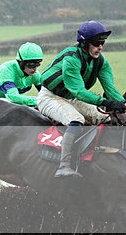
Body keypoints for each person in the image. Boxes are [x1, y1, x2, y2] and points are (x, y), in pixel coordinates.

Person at [37, 20, 126, 178]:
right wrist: (106, 102)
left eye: (102, 43)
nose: (100, 47)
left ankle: (93, 158)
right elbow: (79, 91)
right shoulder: (71, 59)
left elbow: (111, 90)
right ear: (84, 43)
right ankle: (64, 166)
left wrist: (122, 104)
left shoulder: (101, 62)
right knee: (76, 119)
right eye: (96, 43)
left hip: (71, 98)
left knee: (105, 118)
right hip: (50, 97)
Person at [0, 42, 44, 107]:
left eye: (37, 64)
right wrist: (38, 101)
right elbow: (13, 97)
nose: (35, 68)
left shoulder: (35, 74)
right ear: (21, 62)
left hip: (11, 100)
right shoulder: (6, 70)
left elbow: (45, 93)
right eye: (31, 65)